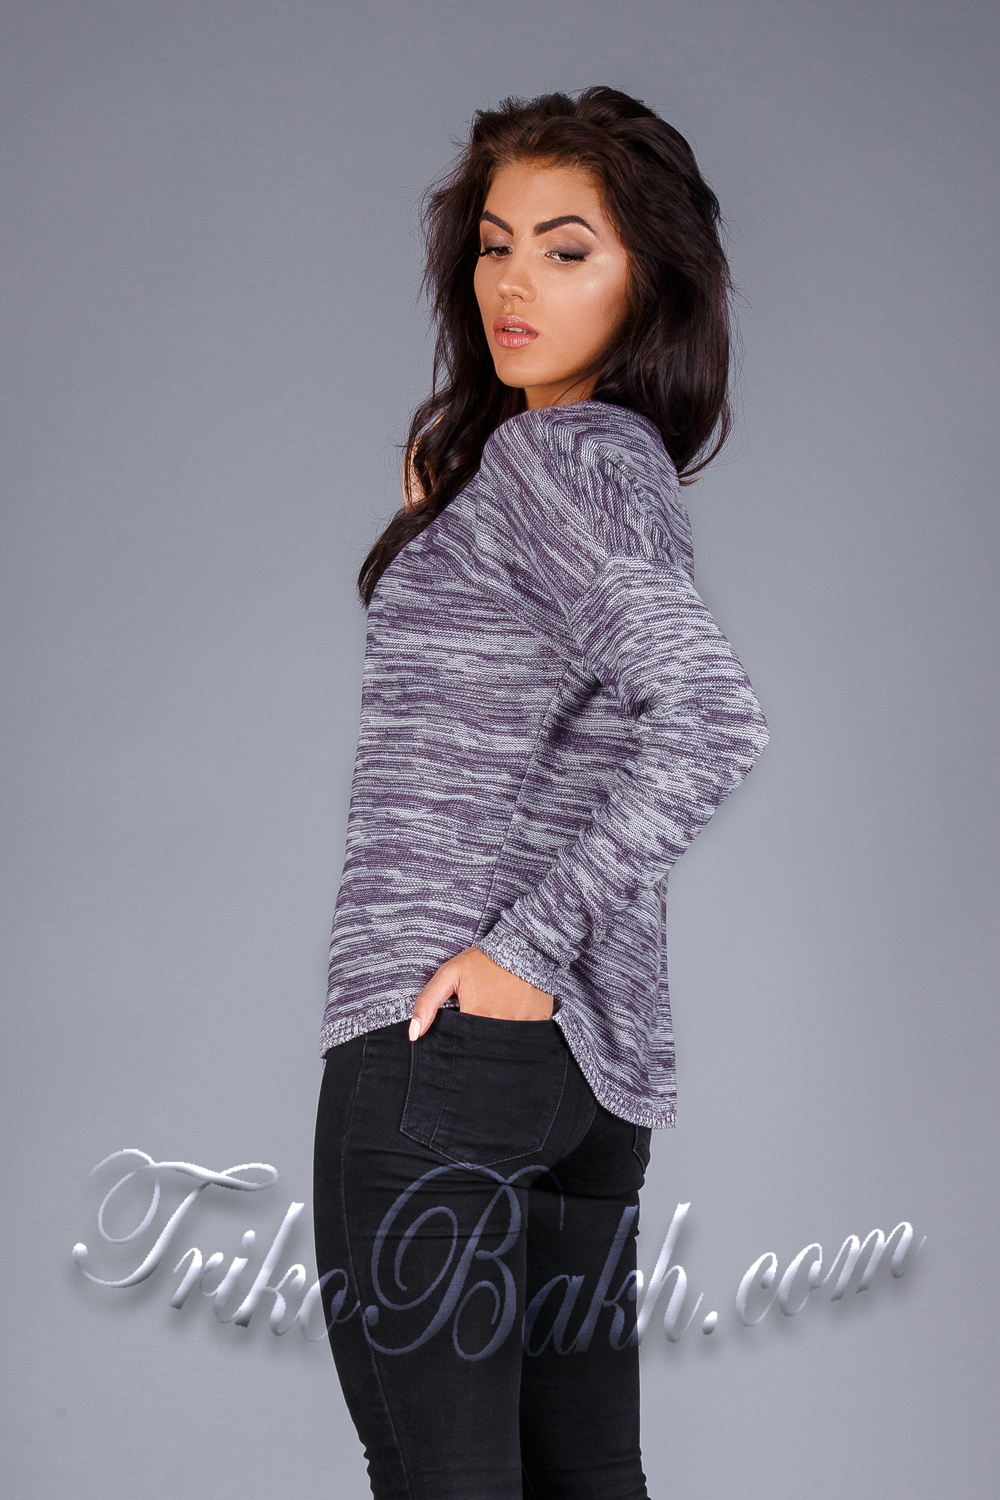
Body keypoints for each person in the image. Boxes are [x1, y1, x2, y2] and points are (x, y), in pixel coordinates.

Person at [312, 86, 769, 1500]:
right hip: (586, 1085)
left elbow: (709, 718)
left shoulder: (545, 464)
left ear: (650, 280)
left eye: (568, 250)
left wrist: (522, 948)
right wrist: (443, 521)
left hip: (447, 1051)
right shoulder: (616, 468)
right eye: (495, 245)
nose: (514, 283)